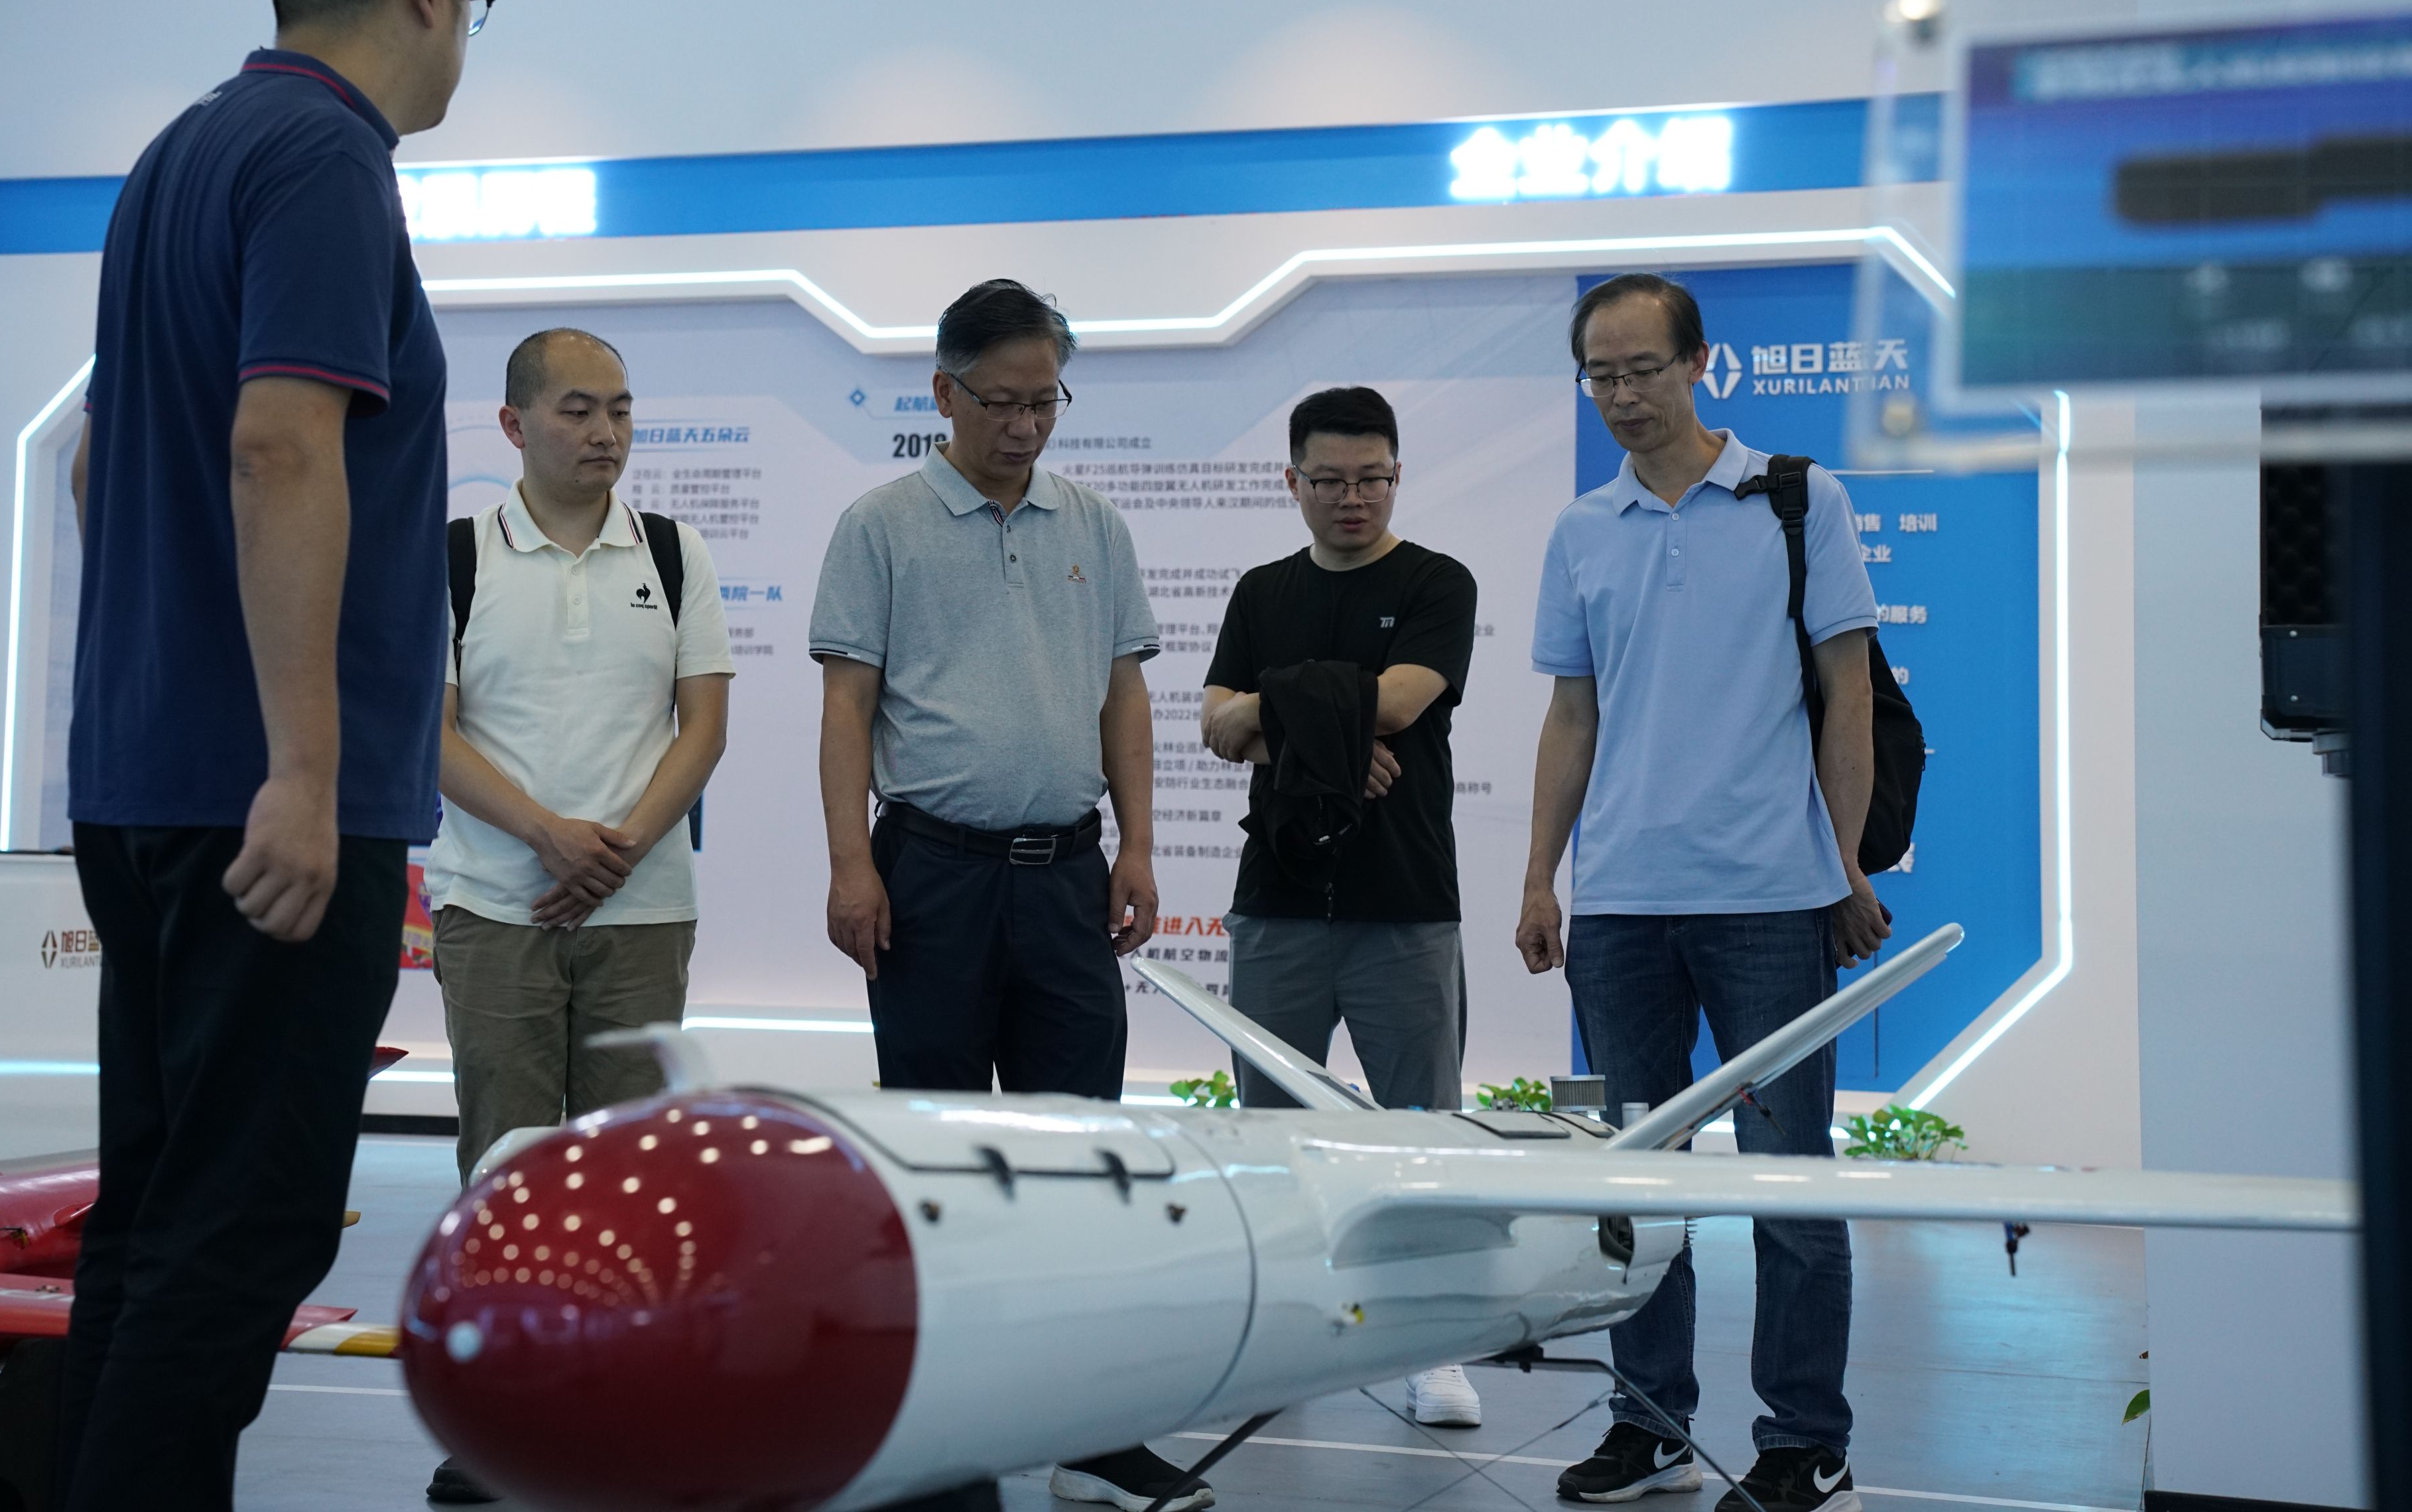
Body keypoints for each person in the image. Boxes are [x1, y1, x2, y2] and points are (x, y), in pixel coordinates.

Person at [61, 0, 482, 1509]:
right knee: (245, 1228)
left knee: (158, 1217)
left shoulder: (179, 153)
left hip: (144, 783)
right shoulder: (324, 156)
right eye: (472, 0)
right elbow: (281, 446)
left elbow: (96, 468)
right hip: (268, 808)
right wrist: (302, 767)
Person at [809, 279, 1200, 1512]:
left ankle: (1092, 1433)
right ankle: (947, 1444)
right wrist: (852, 864)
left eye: (1046, 403)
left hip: (1067, 878)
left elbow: (1125, 695)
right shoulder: (880, 525)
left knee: (1084, 1159)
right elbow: (847, 709)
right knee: (938, 1164)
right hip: (930, 876)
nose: (1026, 426)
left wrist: (1139, 845)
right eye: (1002, 402)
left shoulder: (1095, 523)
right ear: (944, 393)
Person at [1517, 274, 1891, 1512]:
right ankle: (1651, 1424)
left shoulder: (1797, 499)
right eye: (1601, 375)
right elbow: (1572, 716)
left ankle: (1806, 1442)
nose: (1622, 395)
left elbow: (1847, 695)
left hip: (1770, 900)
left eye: (1642, 369)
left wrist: (1842, 866)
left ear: (1698, 364)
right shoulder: (1583, 529)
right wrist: (1540, 877)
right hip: (1622, 903)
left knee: (1789, 1181)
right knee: (1640, 1181)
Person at [420, 329, 734, 1503]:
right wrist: (549, 835)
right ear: (513, 425)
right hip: (495, 907)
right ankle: (499, 1421)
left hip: (641, 916)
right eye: (577, 410)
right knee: (501, 1167)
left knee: (633, 1177)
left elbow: (703, 727)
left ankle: (624, 1410)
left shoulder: (674, 550)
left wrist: (620, 848)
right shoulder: (454, 555)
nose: (606, 433)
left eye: (621, 410)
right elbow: (427, 732)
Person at [1197, 385, 1483, 1430]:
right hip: (1277, 902)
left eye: (1371, 479)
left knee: (1424, 1133)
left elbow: (1405, 701)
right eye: (1329, 480)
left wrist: (1283, 719)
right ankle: (1279, 1340)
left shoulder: (1437, 581)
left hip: (1403, 900)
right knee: (1273, 1144)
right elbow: (1213, 724)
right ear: (1294, 482)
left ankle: (1434, 1349)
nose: (1351, 498)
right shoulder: (1261, 590)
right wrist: (1327, 736)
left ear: (1397, 476)